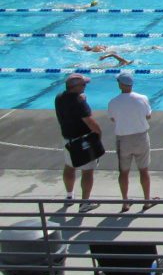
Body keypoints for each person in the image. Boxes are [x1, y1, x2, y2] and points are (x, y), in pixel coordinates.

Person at [54, 73, 103, 212]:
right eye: (83, 84)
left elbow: (70, 106)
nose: (85, 86)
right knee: (87, 171)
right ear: (75, 87)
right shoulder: (79, 102)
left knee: (69, 166)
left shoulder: (59, 98)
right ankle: (85, 203)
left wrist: (81, 99)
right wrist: (98, 135)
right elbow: (91, 122)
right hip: (83, 140)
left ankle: (69, 197)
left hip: (67, 139)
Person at [107, 71, 155, 212]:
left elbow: (112, 119)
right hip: (141, 137)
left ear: (120, 85)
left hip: (124, 140)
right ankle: (147, 201)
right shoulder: (142, 98)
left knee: (123, 172)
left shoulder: (113, 102)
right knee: (144, 171)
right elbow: (148, 116)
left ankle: (125, 202)